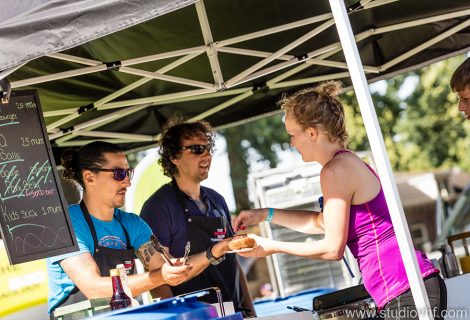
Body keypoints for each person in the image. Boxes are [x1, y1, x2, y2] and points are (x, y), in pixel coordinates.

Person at [233, 81, 447, 320]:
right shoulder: (345, 163)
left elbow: (332, 248)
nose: (291, 143)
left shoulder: (335, 170)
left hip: (407, 289)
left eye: (293, 135)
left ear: (312, 133)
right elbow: (320, 223)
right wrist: (265, 214)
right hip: (408, 286)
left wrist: (272, 247)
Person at [47, 141, 230, 318]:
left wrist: (215, 251)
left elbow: (168, 269)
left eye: (128, 173)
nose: (127, 183)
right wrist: (161, 276)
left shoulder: (132, 223)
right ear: (89, 177)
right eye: (118, 174)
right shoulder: (66, 224)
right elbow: (94, 289)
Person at [140, 119, 255, 317]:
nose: (206, 155)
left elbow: (234, 262)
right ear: (174, 156)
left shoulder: (217, 199)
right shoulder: (158, 207)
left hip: (236, 312)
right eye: (196, 149)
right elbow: (157, 280)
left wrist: (251, 312)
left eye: (208, 149)